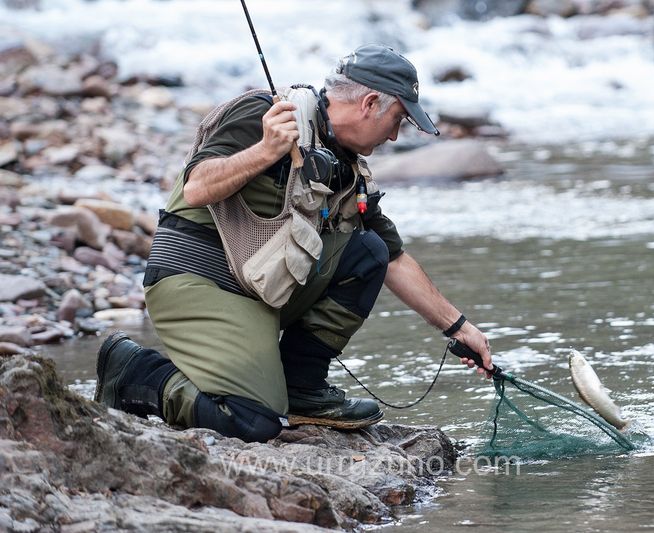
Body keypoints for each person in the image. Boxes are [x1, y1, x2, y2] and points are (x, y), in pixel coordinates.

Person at [94, 44, 493, 442]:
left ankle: (302, 388)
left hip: (263, 286)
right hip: (199, 280)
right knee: (253, 421)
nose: (393, 135)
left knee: (367, 251)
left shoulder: (349, 168)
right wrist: (266, 150)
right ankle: (135, 372)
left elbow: (392, 259)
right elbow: (197, 187)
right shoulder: (263, 114)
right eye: (397, 120)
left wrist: (458, 327)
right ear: (370, 103)